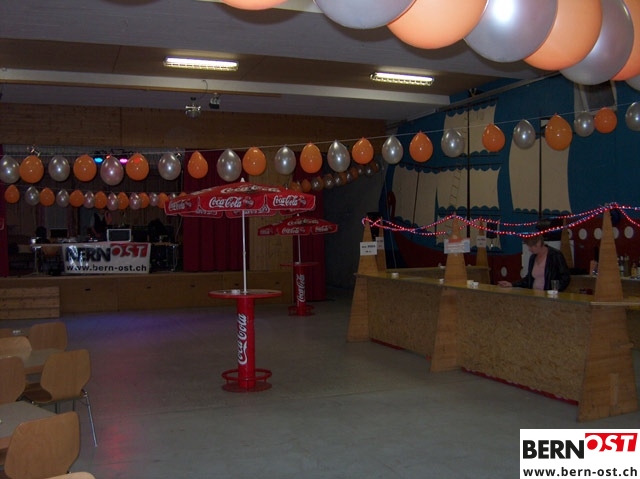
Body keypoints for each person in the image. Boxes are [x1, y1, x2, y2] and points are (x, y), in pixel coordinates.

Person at [498, 235, 571, 291]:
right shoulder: (533, 258)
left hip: (549, 297)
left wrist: (555, 291)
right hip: (534, 294)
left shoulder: (555, 255)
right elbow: (529, 279)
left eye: (531, 246)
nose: (529, 249)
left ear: (538, 243)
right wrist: (512, 284)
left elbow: (565, 277)